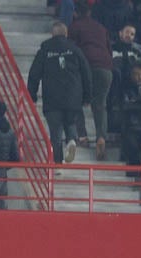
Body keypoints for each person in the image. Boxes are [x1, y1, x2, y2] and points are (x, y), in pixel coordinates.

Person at [28, 21, 92, 164]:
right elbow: (86, 73)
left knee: (55, 132)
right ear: (66, 34)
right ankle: (71, 140)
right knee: (70, 122)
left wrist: (31, 94)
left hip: (52, 98)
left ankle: (57, 162)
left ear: (52, 34)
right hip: (73, 96)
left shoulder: (45, 50)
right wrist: (87, 96)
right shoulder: (75, 49)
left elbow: (34, 73)